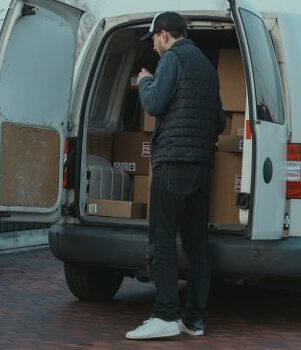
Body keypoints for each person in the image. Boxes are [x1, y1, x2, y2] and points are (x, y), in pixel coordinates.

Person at [125, 11, 226, 340]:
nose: (154, 45)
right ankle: (194, 320)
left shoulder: (171, 59)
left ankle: (165, 315)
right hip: (201, 165)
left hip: (173, 162)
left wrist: (145, 82)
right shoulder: (207, 67)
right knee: (197, 244)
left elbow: (154, 105)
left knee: (162, 239)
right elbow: (220, 121)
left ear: (165, 34)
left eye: (154, 38)